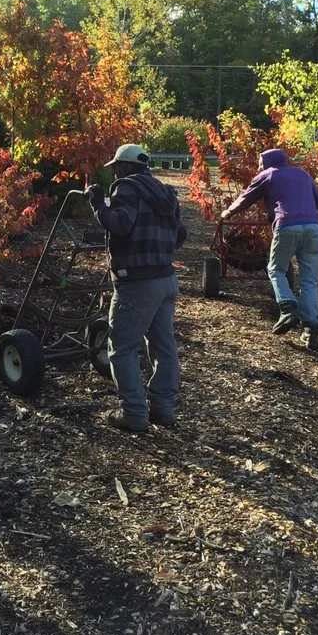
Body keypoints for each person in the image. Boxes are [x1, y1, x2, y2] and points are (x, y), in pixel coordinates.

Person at [85, 144, 187, 431]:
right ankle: (163, 408)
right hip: (166, 278)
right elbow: (180, 236)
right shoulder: (165, 193)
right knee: (163, 345)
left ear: (125, 166)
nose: (115, 172)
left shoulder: (126, 188)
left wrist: (98, 204)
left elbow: (120, 224)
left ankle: (133, 413)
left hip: (137, 281)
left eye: (117, 167)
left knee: (121, 348)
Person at [222, 148, 318, 349]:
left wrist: (229, 212)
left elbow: (246, 197)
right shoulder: (302, 174)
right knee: (309, 280)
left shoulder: (267, 175)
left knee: (276, 269)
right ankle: (311, 329)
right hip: (313, 227)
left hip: (287, 225)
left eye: (260, 163)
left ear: (268, 162)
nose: (259, 167)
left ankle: (287, 308)